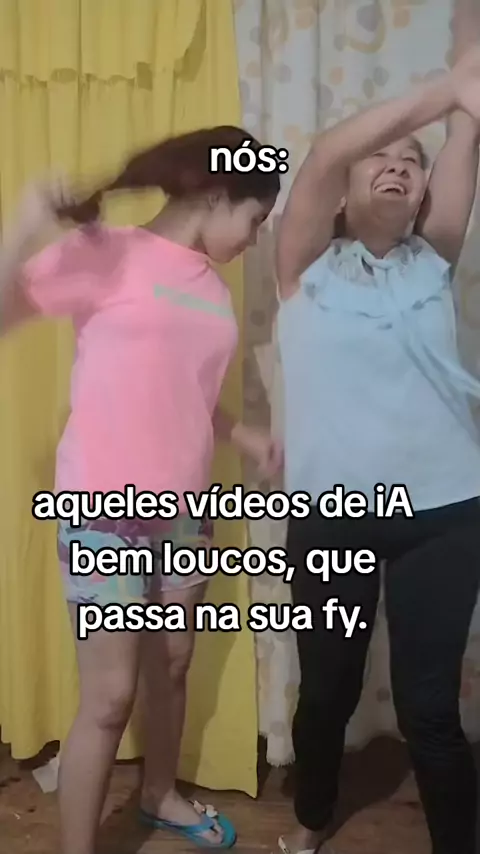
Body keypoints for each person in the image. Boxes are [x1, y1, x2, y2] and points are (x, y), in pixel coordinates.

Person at [0, 126, 281, 854]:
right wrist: (24, 224)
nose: (255, 238)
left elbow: (180, 391)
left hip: (184, 509)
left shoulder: (210, 287)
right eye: (255, 220)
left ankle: (158, 793)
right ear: (216, 195)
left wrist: (243, 434)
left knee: (174, 662)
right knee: (109, 697)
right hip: (103, 510)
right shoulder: (107, 253)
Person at [275, 9, 480, 854]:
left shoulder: (435, 259)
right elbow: (326, 151)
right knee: (328, 692)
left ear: (425, 192)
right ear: (345, 188)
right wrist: (448, 83)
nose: (399, 165)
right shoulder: (302, 266)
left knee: (431, 709)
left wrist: (469, 46)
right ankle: (311, 821)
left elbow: (468, 126)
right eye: (382, 157)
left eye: (412, 162)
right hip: (333, 516)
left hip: (447, 513)